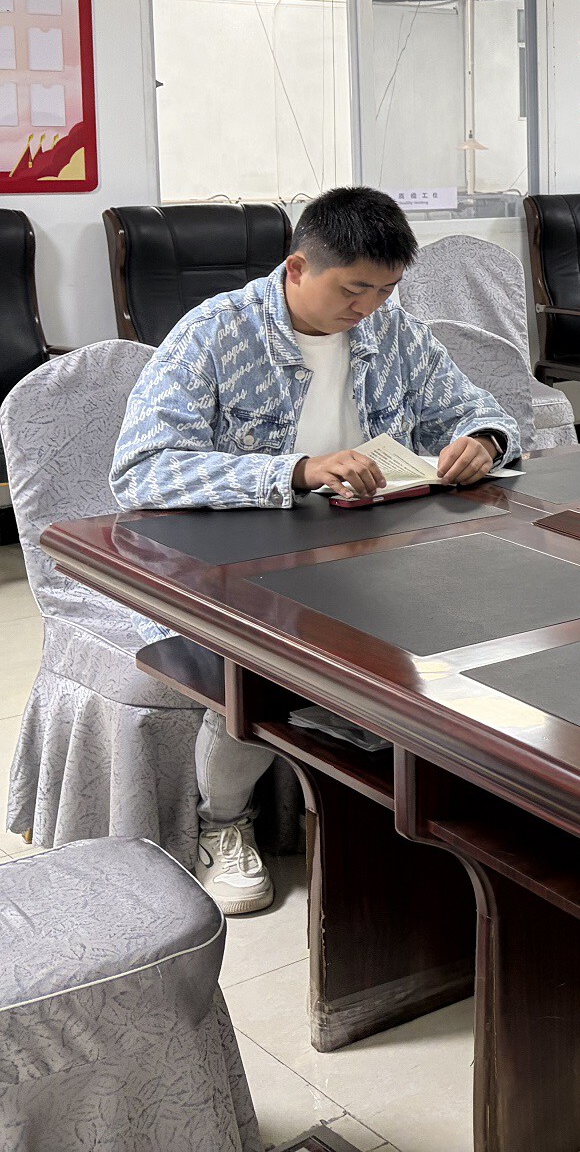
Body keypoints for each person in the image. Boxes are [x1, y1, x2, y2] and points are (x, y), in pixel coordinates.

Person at [112, 187, 521, 916]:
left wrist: (484, 441)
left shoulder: (393, 331)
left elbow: (477, 408)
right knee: (259, 666)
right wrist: (297, 471)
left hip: (371, 552)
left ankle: (408, 806)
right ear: (298, 267)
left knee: (476, 622)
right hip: (244, 563)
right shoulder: (215, 333)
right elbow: (143, 468)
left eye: (386, 290)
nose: (368, 308)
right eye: (353, 289)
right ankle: (224, 822)